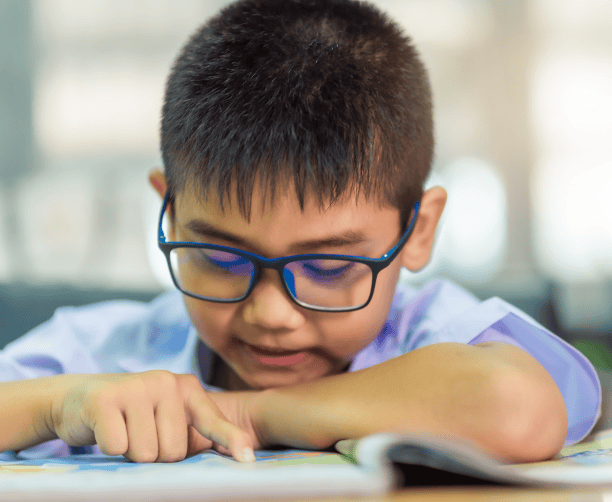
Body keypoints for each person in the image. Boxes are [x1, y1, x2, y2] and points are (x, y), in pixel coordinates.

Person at [0, 0, 601, 465]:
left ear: (417, 229)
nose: (271, 314)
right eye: (218, 255)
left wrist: (245, 414)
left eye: (330, 267)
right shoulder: (105, 351)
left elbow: (516, 407)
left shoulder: (431, 336)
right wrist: (60, 403)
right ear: (170, 212)